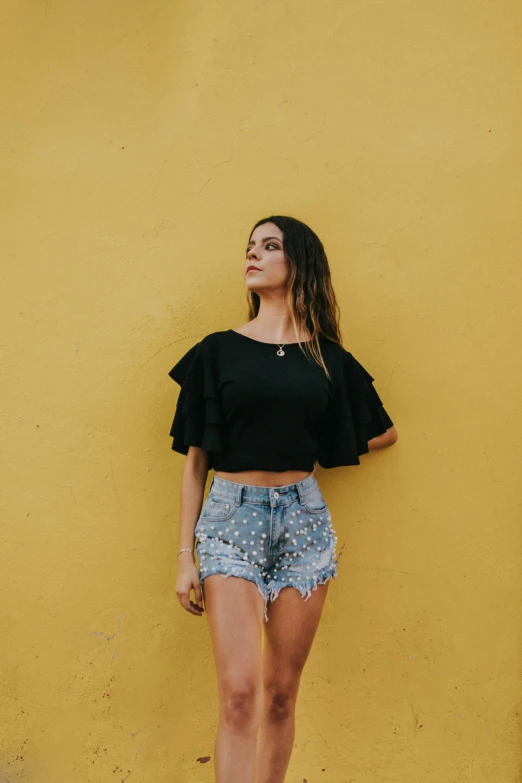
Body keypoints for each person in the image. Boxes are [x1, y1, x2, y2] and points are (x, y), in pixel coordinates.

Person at [167, 215, 398, 783]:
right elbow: (197, 460)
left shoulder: (326, 359)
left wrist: (314, 446)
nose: (253, 255)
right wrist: (183, 557)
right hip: (228, 520)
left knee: (279, 696)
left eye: (269, 246)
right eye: (249, 246)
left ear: (299, 263)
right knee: (241, 696)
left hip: (304, 522)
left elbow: (383, 430)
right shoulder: (216, 352)